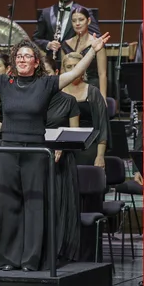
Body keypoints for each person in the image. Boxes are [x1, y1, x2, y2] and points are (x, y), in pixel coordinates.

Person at [0, 30, 109, 272]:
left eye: (27, 56)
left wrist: (93, 49)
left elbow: (75, 72)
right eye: (18, 56)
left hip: (36, 153)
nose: (21, 59)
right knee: (9, 204)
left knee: (34, 205)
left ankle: (31, 259)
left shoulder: (46, 83)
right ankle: (8, 258)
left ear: (36, 62)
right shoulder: (4, 83)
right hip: (9, 151)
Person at [44, 59, 83, 262]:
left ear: (57, 73)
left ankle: (61, 252)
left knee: (61, 206)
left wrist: (61, 145)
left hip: (62, 159)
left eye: (49, 72)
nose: (46, 77)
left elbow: (75, 135)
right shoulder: (33, 99)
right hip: (39, 158)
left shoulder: (68, 101)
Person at [33, 0, 101, 61]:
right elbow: (36, 39)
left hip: (76, 63)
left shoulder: (85, 12)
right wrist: (48, 44)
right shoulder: (46, 13)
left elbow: (96, 37)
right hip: (52, 63)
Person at [60, 52, 109, 168]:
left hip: (88, 144)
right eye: (69, 66)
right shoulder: (57, 92)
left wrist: (100, 155)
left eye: (76, 66)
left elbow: (102, 126)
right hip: (62, 144)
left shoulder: (93, 92)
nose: (73, 70)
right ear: (63, 69)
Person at [61, 7, 108, 100]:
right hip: (70, 90)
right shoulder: (66, 44)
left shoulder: (97, 43)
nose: (77, 23)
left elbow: (102, 73)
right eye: (74, 21)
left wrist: (103, 98)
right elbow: (63, 72)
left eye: (81, 20)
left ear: (88, 21)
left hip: (91, 88)